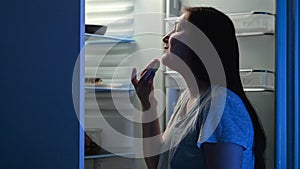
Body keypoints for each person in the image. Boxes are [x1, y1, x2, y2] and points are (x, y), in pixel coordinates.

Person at [131, 7, 266, 169]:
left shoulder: (222, 105)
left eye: (177, 30)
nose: (166, 38)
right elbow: (157, 163)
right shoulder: (188, 99)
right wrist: (148, 104)